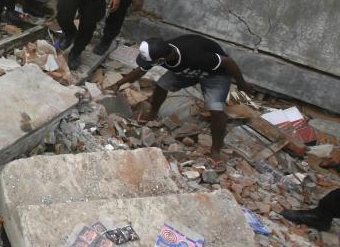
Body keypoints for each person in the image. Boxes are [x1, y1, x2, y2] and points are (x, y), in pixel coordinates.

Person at [107, 36, 253, 166]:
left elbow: (228, 62)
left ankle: (215, 150)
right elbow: (140, 70)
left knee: (216, 110)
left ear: (162, 60)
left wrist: (241, 84)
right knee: (161, 85)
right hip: (186, 72)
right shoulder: (160, 51)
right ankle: (152, 113)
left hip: (214, 75)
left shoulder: (194, 55)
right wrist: (119, 83)